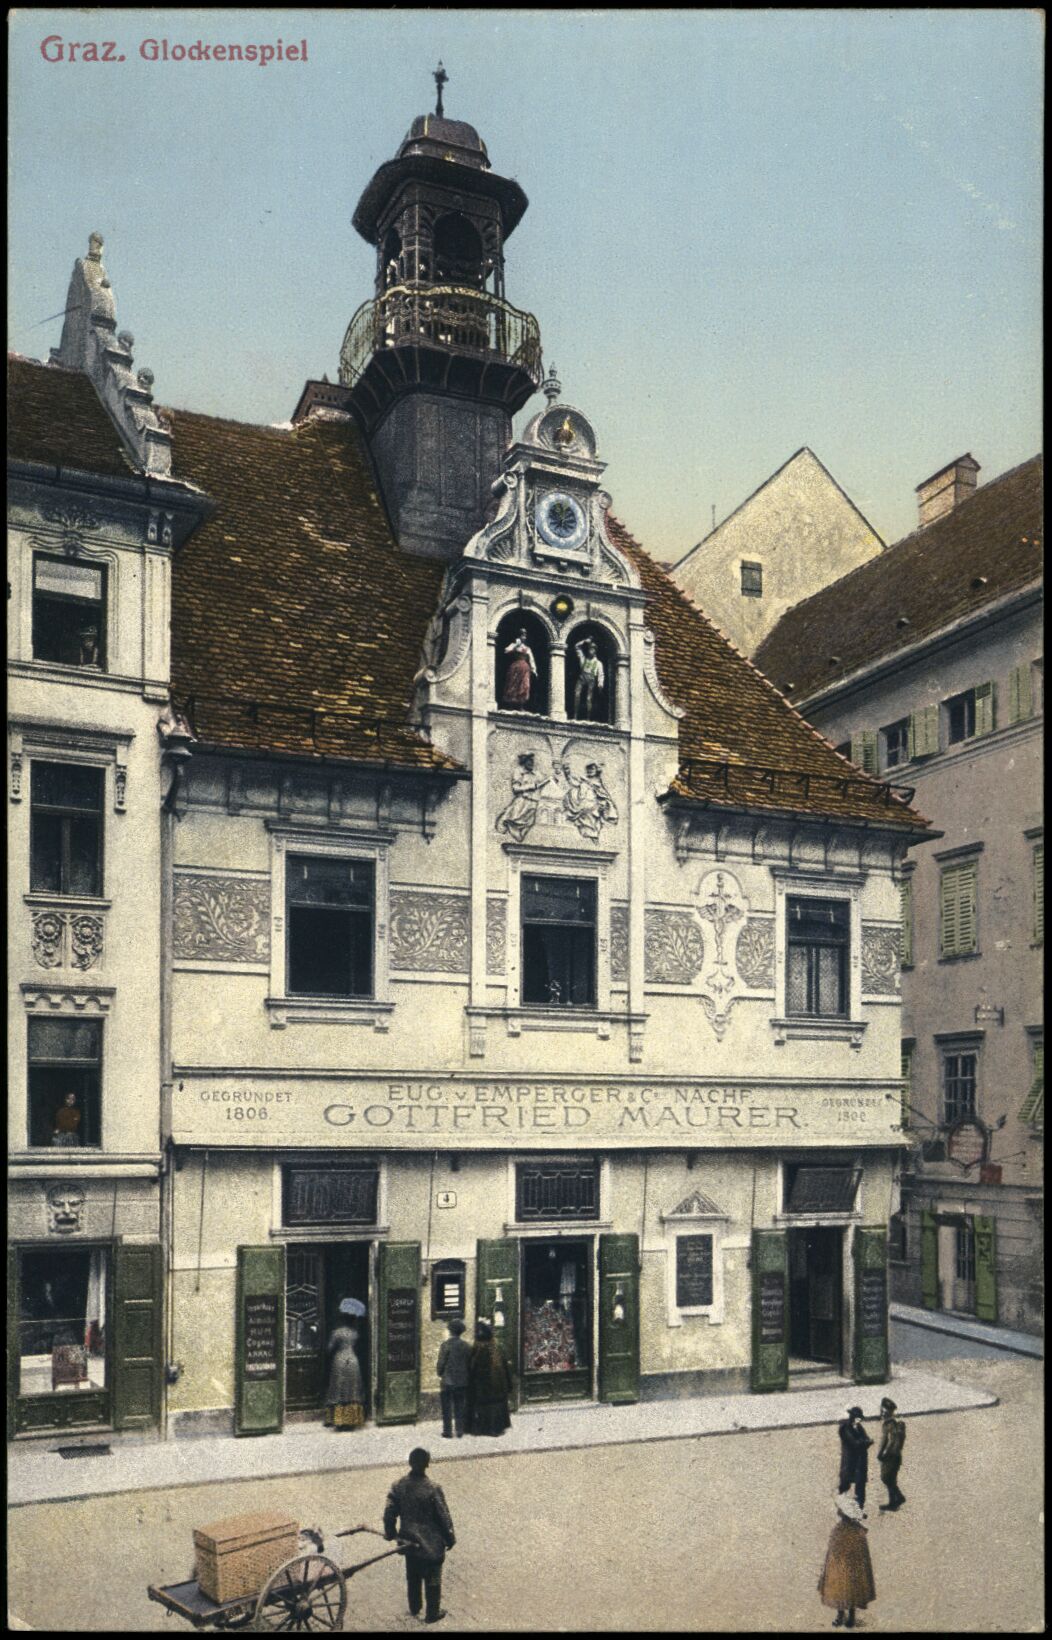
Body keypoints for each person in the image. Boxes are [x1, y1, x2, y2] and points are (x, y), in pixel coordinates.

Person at [383, 1447, 455, 1625]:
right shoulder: (433, 1489)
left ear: (410, 1462)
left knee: (413, 1575)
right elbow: (443, 1516)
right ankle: (432, 1612)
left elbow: (389, 1512)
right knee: (433, 1578)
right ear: (427, 1465)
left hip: (409, 1541)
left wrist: (390, 1532)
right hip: (431, 1544)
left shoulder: (398, 1486)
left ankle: (415, 1606)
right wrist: (450, 1537)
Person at [818, 1492, 875, 1629]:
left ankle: (849, 1616)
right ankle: (842, 1615)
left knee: (849, 1591)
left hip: (850, 1568)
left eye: (840, 1510)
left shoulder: (853, 1531)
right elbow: (831, 1551)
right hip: (838, 1567)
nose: (838, 1511)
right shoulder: (843, 1530)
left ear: (844, 1514)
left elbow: (862, 1554)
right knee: (841, 1591)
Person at [466, 1318, 513, 1436]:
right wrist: (508, 1384)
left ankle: (484, 1428)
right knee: (494, 1406)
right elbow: (505, 1367)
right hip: (497, 1386)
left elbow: (472, 1368)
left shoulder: (478, 1349)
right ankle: (496, 1428)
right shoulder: (496, 1347)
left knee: (484, 1406)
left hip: (483, 1387)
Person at [324, 1319, 364, 1431]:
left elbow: (329, 1348)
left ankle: (339, 1420)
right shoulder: (355, 1332)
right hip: (352, 1360)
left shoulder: (336, 1332)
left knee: (338, 1388)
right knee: (352, 1389)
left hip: (340, 1360)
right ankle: (351, 1420)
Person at [437, 1317, 471, 1440]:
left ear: (450, 1331)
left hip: (447, 1382)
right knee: (460, 1406)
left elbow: (441, 1364)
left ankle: (447, 1431)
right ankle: (460, 1430)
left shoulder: (445, 1345)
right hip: (462, 1382)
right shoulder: (466, 1346)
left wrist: (440, 1373)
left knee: (446, 1408)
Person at [837, 1405, 873, 1510]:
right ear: (852, 1417)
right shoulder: (844, 1428)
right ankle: (842, 1505)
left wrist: (866, 1441)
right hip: (849, 1462)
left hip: (860, 1461)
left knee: (860, 1485)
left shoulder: (860, 1427)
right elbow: (854, 1443)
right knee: (845, 1484)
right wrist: (866, 1442)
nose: (859, 1420)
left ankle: (859, 1508)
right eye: (858, 1418)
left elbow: (866, 1439)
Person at [877, 1396, 907, 1511]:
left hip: (891, 1456)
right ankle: (896, 1500)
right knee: (889, 1479)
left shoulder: (890, 1424)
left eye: (885, 1412)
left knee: (886, 1478)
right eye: (882, 1411)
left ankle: (897, 1499)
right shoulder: (888, 1424)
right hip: (893, 1456)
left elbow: (889, 1441)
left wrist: (882, 1454)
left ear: (890, 1412)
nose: (883, 1414)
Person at [501, 628, 537, 709]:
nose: (524, 637)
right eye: (522, 635)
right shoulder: (514, 645)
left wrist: (534, 670)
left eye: (524, 635)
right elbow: (506, 651)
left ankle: (521, 705)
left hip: (525, 668)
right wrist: (516, 646)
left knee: (524, 685)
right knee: (513, 684)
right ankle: (511, 705)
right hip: (515, 667)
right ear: (519, 636)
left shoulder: (527, 648)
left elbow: (531, 659)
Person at [572, 637, 604, 719]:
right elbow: (577, 647)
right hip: (582, 678)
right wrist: (585, 641)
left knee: (588, 699)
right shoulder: (583, 658)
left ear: (595, 651)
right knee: (577, 695)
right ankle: (575, 715)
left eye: (592, 649)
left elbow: (601, 674)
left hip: (591, 680)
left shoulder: (598, 663)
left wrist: (600, 683)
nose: (591, 651)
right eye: (590, 649)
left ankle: (588, 718)